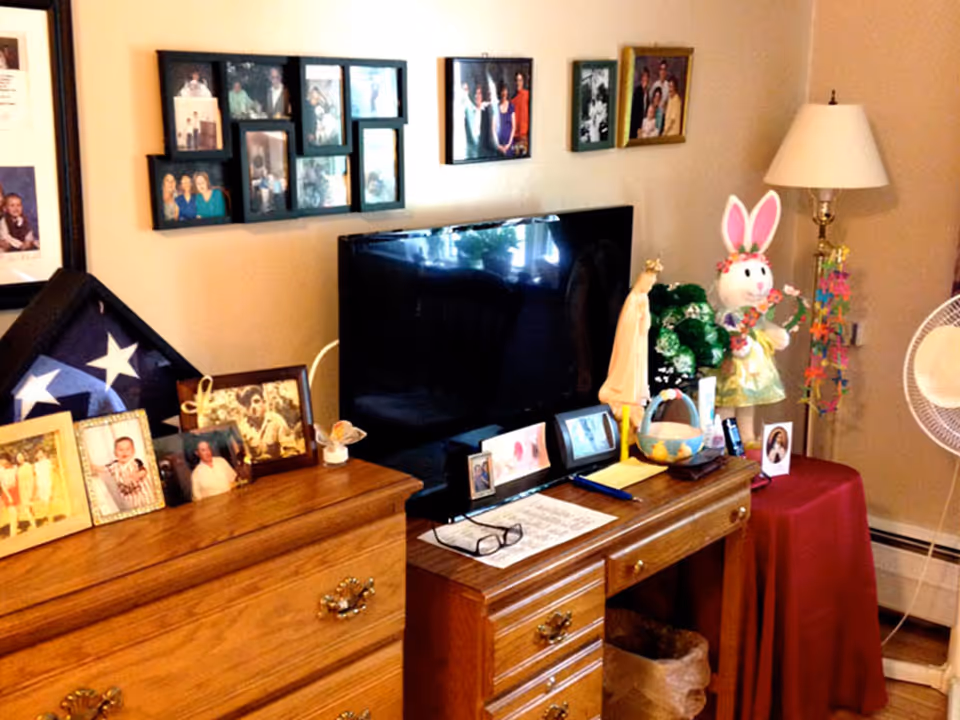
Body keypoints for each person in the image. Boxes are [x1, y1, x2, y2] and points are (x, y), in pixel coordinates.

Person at [236, 386, 293, 461]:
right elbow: (243, 458)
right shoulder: (242, 428)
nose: (253, 406)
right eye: (248, 403)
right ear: (245, 408)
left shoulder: (276, 420)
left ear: (263, 402)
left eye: (256, 401)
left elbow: (291, 450)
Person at [105, 436, 155, 510]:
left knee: (148, 504)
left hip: (143, 493)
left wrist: (137, 475)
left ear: (133, 451)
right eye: (120, 450)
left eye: (128, 449)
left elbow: (143, 470)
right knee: (133, 508)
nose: (124, 452)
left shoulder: (136, 462)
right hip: (129, 497)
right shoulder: (114, 465)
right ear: (115, 452)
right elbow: (102, 469)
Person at [465, 84, 488, 159]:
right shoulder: (469, 112)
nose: (477, 96)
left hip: (485, 153)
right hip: (472, 153)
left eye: (479, 93)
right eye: (475, 93)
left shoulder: (487, 110)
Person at [15, 452, 36, 530]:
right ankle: (33, 523)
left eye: (21, 457)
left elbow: (31, 479)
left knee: (28, 508)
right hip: (21, 489)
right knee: (27, 508)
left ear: (24, 457)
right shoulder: (18, 468)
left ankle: (33, 524)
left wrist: (31, 491)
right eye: (18, 458)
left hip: (28, 489)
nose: (19, 459)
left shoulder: (28, 466)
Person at [32, 447, 53, 525]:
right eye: (37, 453)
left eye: (40, 452)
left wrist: (52, 485)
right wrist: (37, 489)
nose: (39, 454)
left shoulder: (48, 462)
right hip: (40, 485)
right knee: (44, 503)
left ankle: (51, 520)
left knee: (48, 503)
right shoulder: (36, 465)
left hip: (47, 483)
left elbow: (51, 473)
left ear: (43, 453)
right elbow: (36, 477)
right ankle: (49, 518)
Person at [629, 66, 651, 140]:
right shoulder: (638, 91)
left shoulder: (647, 93)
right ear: (642, 78)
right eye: (644, 76)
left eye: (647, 77)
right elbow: (635, 110)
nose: (646, 79)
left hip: (643, 124)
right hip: (635, 124)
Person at [494, 83, 515, 157]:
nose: (504, 93)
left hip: (509, 146)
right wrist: (498, 145)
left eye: (505, 91)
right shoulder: (496, 108)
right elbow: (493, 128)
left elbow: (513, 127)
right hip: (499, 146)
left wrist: (508, 144)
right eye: (502, 91)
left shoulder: (511, 107)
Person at [0, 455, 19, 538]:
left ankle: (15, 527)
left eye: (3, 461)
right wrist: (9, 496)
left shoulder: (15, 468)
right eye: (1, 462)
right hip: (7, 492)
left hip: (16, 490)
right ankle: (13, 535)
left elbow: (18, 479)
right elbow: (2, 485)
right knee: (13, 513)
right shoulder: (0, 470)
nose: (2, 463)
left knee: (17, 513)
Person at [511, 71, 529, 155]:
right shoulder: (512, 100)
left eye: (520, 80)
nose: (518, 83)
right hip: (515, 137)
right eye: (517, 80)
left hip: (525, 136)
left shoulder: (527, 95)